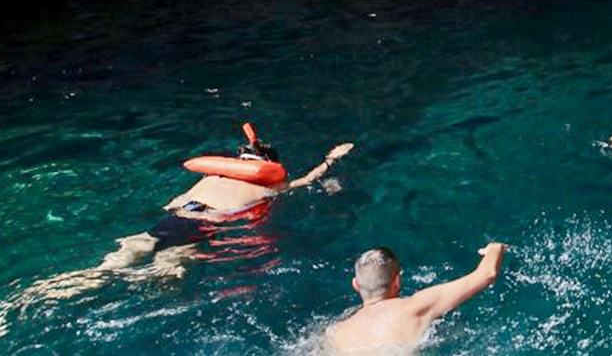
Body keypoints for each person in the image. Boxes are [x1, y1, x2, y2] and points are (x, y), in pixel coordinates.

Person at [13, 125, 352, 303]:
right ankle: (133, 282)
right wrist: (332, 157)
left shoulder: (212, 175)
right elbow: (308, 180)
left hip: (174, 219)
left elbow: (171, 204)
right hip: (200, 226)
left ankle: (38, 293)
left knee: (107, 267)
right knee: (167, 276)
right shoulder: (272, 185)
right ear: (271, 166)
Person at [324, 243, 505, 355]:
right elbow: (486, 274)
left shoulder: (337, 333)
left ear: (355, 284)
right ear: (397, 280)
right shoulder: (415, 307)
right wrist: (494, 249)